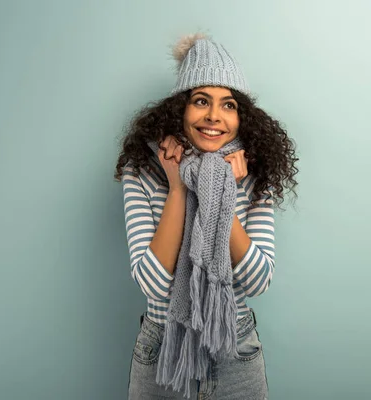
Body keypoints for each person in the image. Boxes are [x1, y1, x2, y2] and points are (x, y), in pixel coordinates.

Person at [114, 33, 298, 400]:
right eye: (201, 101)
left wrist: (223, 194)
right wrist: (178, 187)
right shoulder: (144, 171)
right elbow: (151, 282)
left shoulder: (254, 175)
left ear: (241, 116)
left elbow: (258, 281)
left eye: (228, 105)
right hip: (163, 352)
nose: (214, 116)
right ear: (181, 108)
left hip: (235, 348)